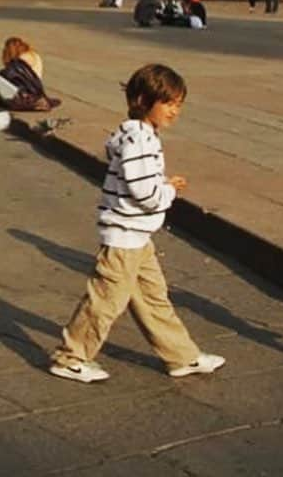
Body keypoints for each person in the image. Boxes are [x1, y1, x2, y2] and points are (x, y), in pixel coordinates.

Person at [49, 64, 225, 382]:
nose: (175, 111)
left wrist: (162, 183)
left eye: (178, 104)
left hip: (137, 237)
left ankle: (181, 356)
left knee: (153, 299)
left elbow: (139, 180)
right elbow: (144, 192)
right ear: (144, 100)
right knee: (104, 301)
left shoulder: (137, 134)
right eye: (169, 103)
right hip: (124, 238)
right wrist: (168, 190)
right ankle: (70, 356)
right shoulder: (139, 141)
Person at [0, 37, 60, 119]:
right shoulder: (32, 55)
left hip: (23, 97)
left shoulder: (22, 59)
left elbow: (8, 75)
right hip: (23, 94)